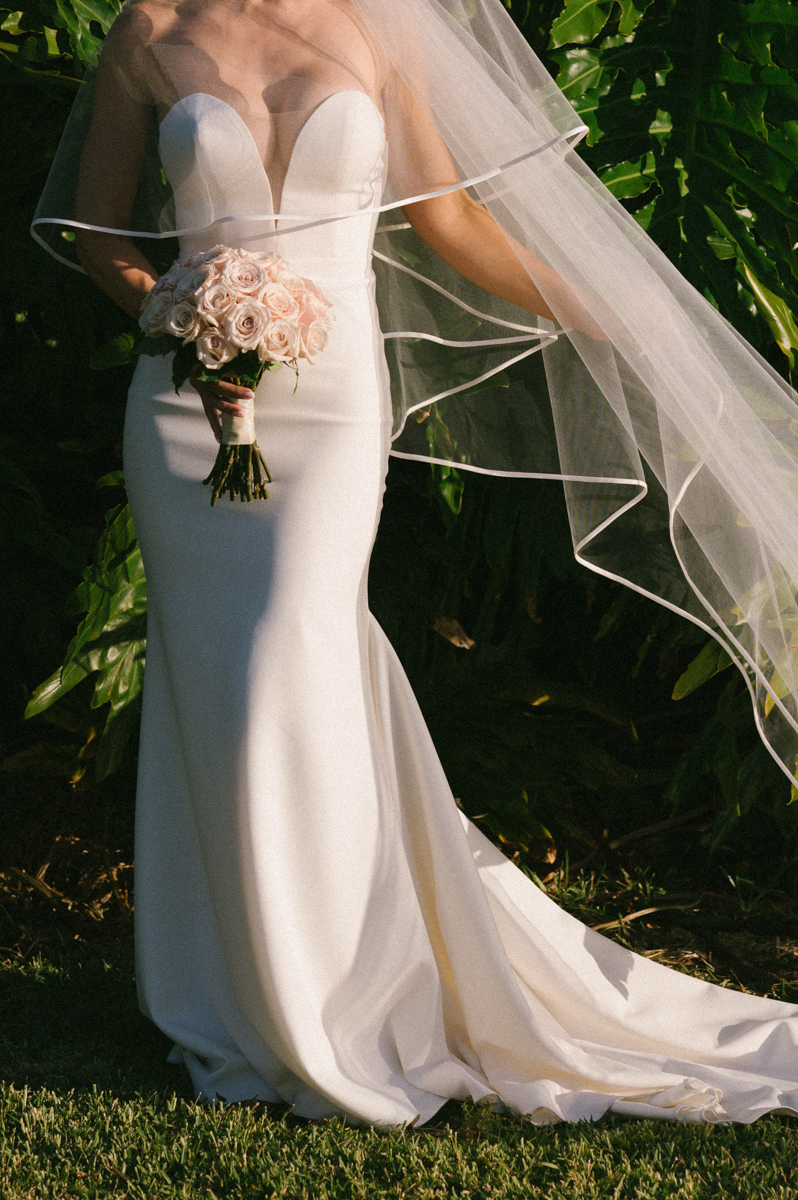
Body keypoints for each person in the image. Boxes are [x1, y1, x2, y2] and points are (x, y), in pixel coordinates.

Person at [33, 0, 798, 1127]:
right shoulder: (150, 30)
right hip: (187, 407)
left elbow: (449, 218)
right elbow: (100, 235)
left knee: (295, 647)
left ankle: (343, 995)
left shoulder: (387, 28)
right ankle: (238, 990)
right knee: (219, 680)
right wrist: (177, 318)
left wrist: (603, 309)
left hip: (333, 403)